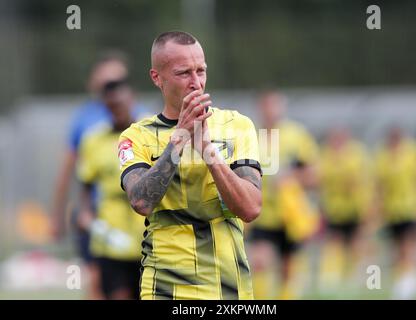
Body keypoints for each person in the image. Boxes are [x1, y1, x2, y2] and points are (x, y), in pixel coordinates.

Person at [118, 31, 262, 300]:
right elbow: (140, 202)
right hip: (165, 288)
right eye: (184, 73)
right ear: (157, 78)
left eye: (201, 71)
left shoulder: (237, 126)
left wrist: (207, 150)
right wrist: (179, 140)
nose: (196, 83)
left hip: (229, 288)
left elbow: (251, 208)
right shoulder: (136, 136)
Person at [51, 51, 149, 299]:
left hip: (145, 235)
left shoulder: (148, 127)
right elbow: (73, 174)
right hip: (105, 230)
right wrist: (65, 215)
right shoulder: (87, 125)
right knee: (98, 285)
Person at [248, 90, 320, 299]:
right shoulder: (251, 135)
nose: (270, 111)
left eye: (274, 105)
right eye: (266, 106)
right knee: (259, 261)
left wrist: (292, 177)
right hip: (263, 213)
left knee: (288, 270)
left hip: (291, 214)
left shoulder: (296, 135)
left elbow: (313, 174)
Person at [77, 79, 144, 299]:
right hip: (111, 239)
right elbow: (85, 188)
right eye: (111, 106)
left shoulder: (149, 133)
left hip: (148, 235)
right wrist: (89, 219)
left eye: (121, 104)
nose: (117, 110)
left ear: (132, 99)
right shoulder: (93, 139)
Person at [374, 126, 416, 299]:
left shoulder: (414, 152)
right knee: (396, 247)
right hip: (392, 210)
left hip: (411, 206)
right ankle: (403, 279)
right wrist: (378, 207)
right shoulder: (383, 156)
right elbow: (380, 185)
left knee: (408, 243)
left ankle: (409, 282)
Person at [316, 127, 373, 294]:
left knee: (357, 244)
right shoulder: (326, 155)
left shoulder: (357, 153)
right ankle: (331, 278)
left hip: (355, 208)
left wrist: (367, 206)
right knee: (335, 242)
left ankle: (362, 277)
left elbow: (361, 180)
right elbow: (321, 179)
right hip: (334, 209)